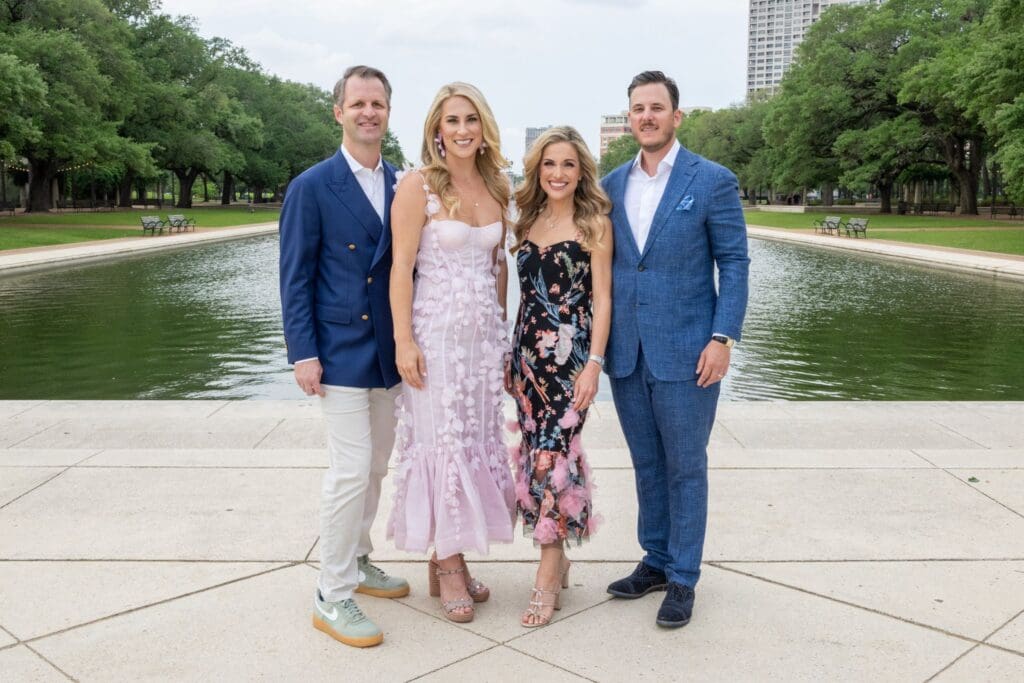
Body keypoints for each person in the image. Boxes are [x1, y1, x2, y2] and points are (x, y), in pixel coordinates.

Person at [600, 71, 749, 628]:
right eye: (637, 107)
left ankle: (684, 577)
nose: (646, 116)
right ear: (630, 115)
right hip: (627, 354)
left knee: (685, 467)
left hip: (690, 353)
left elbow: (734, 263)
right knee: (646, 465)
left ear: (676, 116)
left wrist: (722, 337)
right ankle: (656, 558)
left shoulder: (711, 180)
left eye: (656, 107)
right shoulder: (611, 184)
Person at [279, 65, 409, 649]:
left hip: (389, 351)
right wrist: (303, 353)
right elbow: (295, 277)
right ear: (339, 111)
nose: (368, 113)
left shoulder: (404, 182)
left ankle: (357, 559)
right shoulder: (312, 185)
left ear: (387, 110)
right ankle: (331, 595)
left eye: (377, 103)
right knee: (351, 470)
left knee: (377, 466)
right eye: (357, 103)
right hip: (336, 351)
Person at [386, 82, 516, 623]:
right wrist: (404, 341)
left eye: (470, 120)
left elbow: (499, 266)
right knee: (442, 445)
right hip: (435, 339)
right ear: (436, 130)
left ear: (483, 127)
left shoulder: (499, 186)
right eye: (451, 121)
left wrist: (504, 338)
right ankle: (449, 567)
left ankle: (450, 557)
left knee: (473, 442)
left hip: (483, 342)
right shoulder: (418, 187)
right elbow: (400, 268)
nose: (462, 130)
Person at [506, 126, 613, 628]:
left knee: (554, 459)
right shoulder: (526, 219)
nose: (558, 173)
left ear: (580, 171)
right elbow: (524, 300)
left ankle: (547, 577)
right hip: (528, 362)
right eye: (550, 163)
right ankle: (560, 557)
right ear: (537, 170)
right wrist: (512, 357)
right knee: (535, 458)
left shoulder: (595, 223)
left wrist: (594, 363)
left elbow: (603, 299)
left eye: (568, 164)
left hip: (570, 363)